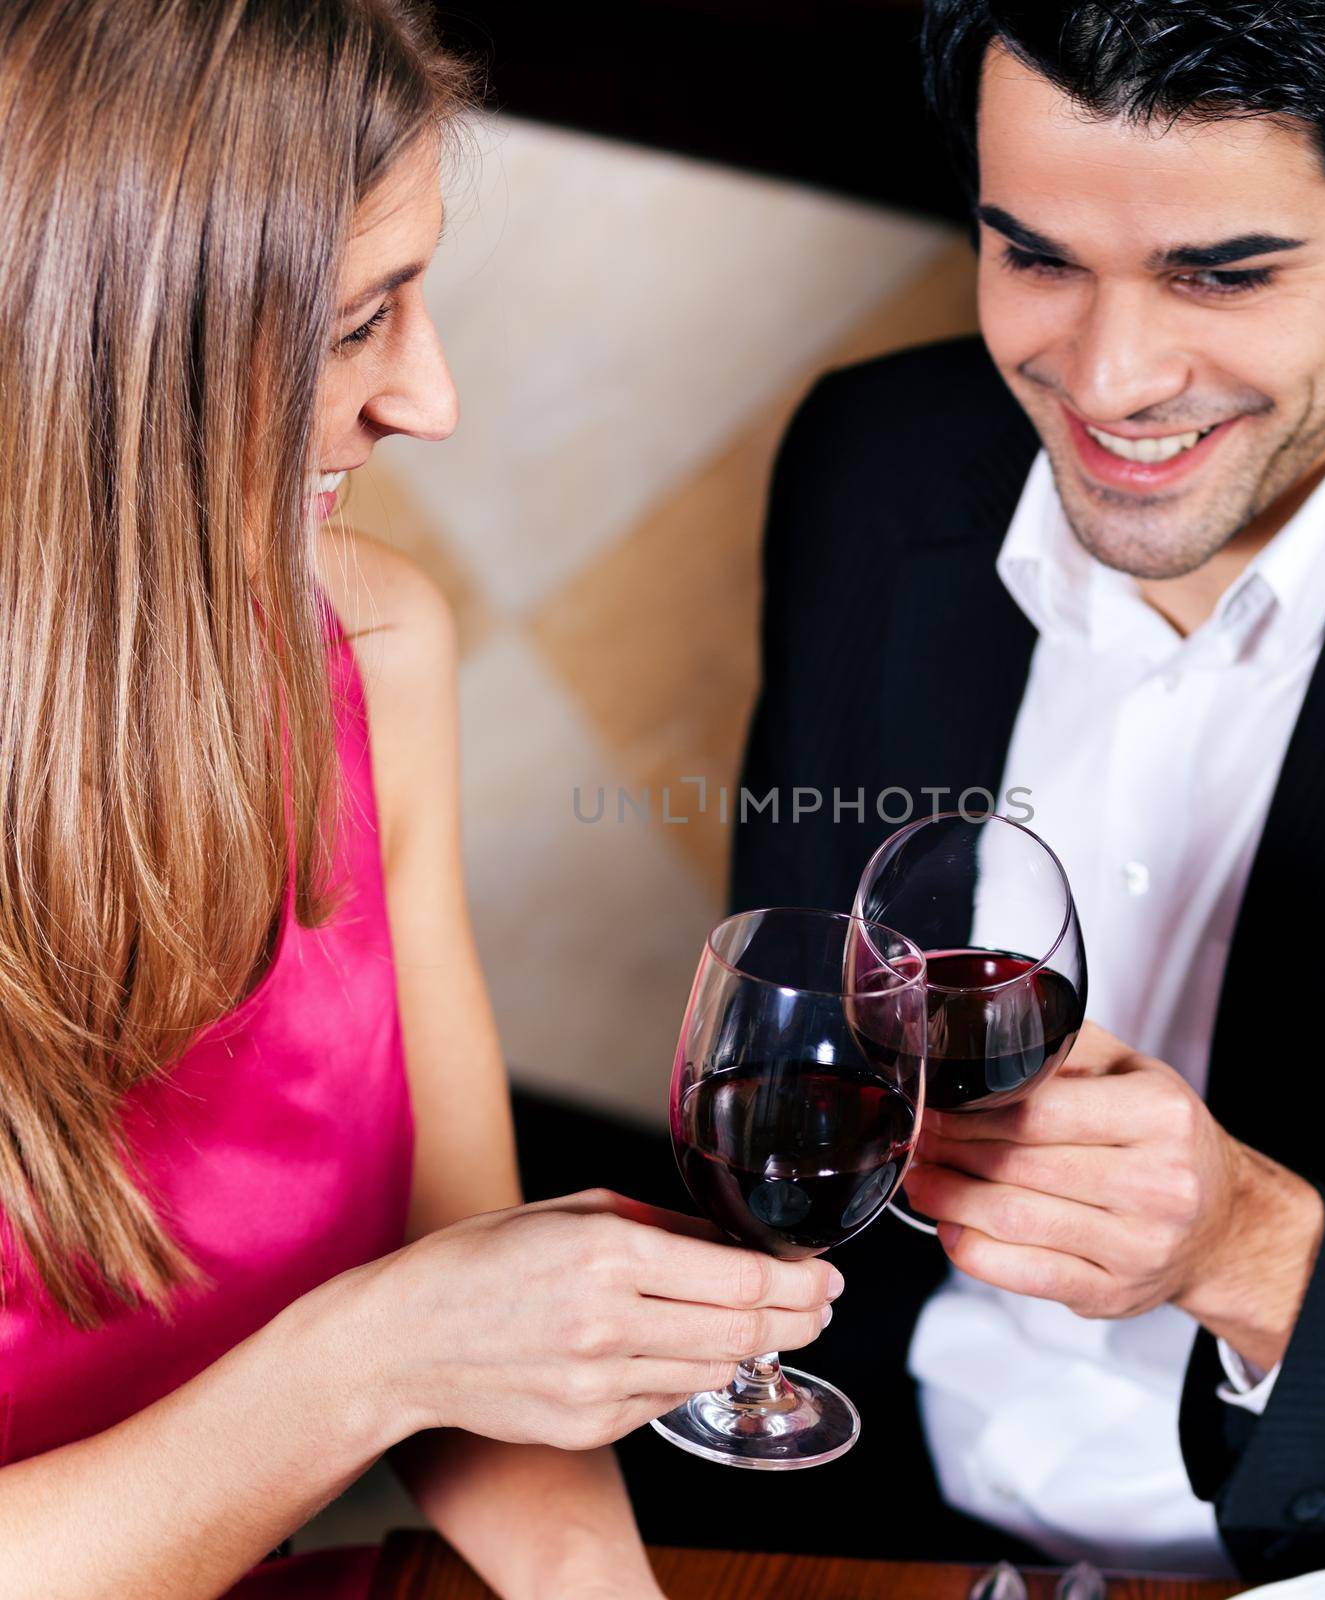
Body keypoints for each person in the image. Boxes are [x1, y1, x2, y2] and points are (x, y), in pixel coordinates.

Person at [724, 0, 1325, 1583]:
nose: (1111, 381)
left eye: (1222, 272)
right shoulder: (875, 466)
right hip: (855, 1531)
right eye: (1038, 257)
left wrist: (1244, 1243)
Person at [0, 4, 839, 1596]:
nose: (431, 399)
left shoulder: (373, 649)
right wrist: (373, 1364)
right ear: (91, 367)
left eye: (416, 298)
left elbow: (477, 1343)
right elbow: (416, 1345)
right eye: (352, 327)